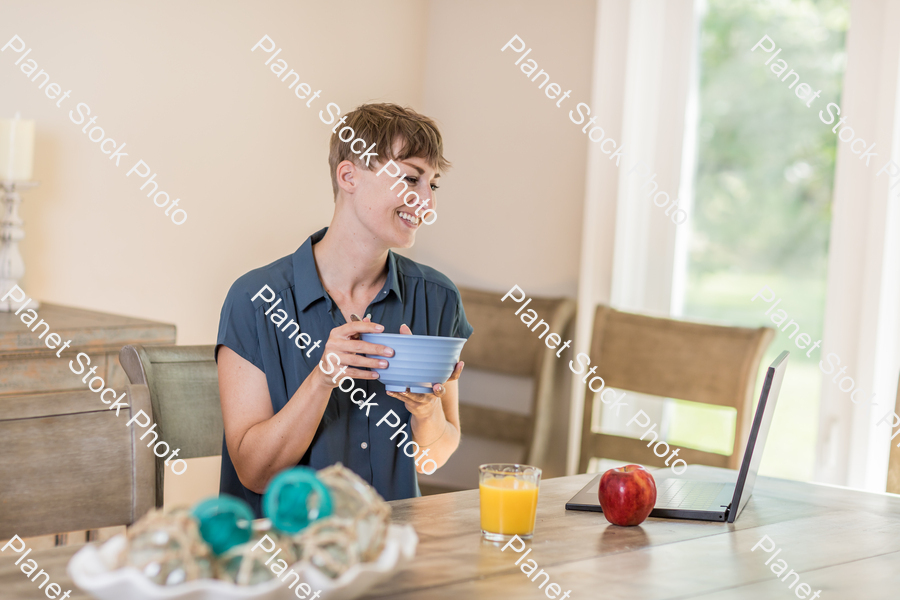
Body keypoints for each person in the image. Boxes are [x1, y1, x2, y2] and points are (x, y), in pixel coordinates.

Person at [215, 103, 472, 516]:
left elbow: (433, 457)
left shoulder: (437, 298)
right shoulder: (255, 300)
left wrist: (426, 410)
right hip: (279, 556)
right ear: (348, 175)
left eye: (433, 185)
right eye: (410, 178)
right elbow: (254, 473)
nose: (427, 203)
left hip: (388, 550)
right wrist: (322, 379)